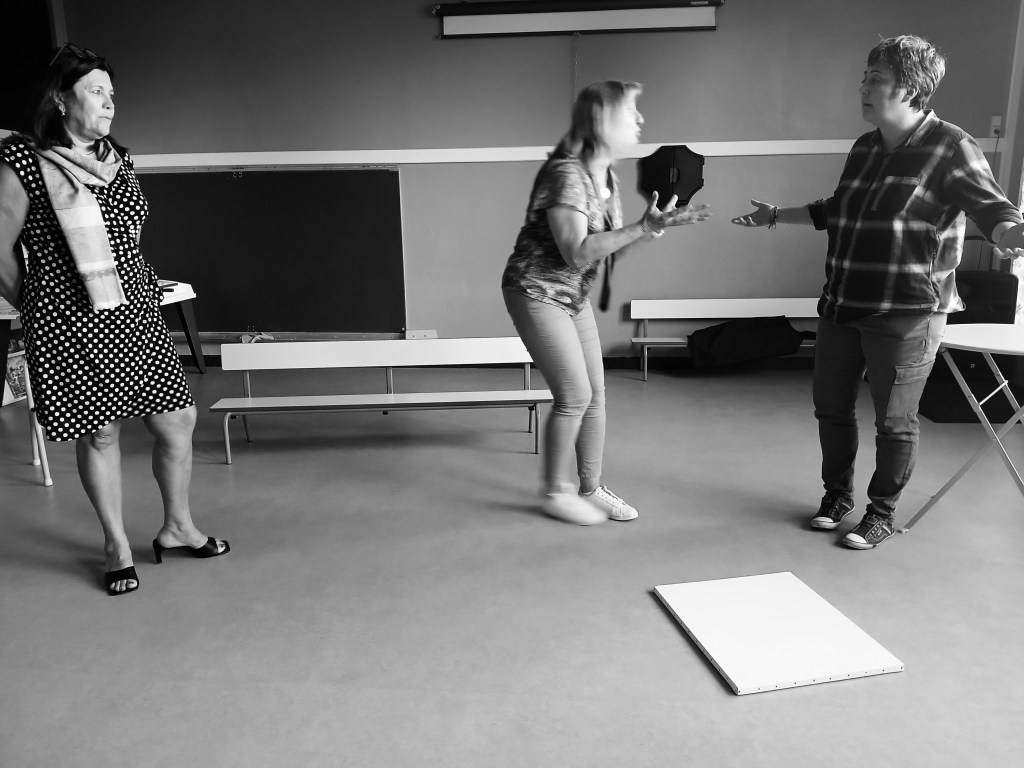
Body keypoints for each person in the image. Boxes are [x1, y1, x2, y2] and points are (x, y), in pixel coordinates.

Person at [731, 35, 1024, 548]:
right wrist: (775, 215)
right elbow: (839, 208)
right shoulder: (865, 147)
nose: (864, 88)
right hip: (842, 302)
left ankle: (881, 512)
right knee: (831, 408)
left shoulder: (951, 146)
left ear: (911, 88)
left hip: (908, 311)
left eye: (876, 79)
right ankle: (837, 497)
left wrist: (1011, 234)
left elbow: (993, 208)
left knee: (894, 421)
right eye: (865, 77)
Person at [0, 44, 229, 595]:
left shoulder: (118, 159)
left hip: (136, 312)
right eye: (96, 91)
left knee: (177, 420)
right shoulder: (23, 161)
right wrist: (39, 301)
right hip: (68, 320)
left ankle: (178, 527)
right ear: (61, 99)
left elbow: (130, 236)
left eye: (112, 93)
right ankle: (116, 545)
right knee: (100, 433)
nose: (109, 103)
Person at [502, 80, 712, 525]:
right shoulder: (567, 175)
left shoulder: (607, 177)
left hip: (571, 296)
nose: (640, 119)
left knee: (596, 394)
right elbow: (576, 252)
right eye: (631, 112)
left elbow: (606, 251)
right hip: (536, 291)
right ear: (602, 120)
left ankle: (590, 487)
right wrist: (640, 228)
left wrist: (652, 228)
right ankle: (555, 493)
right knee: (574, 395)